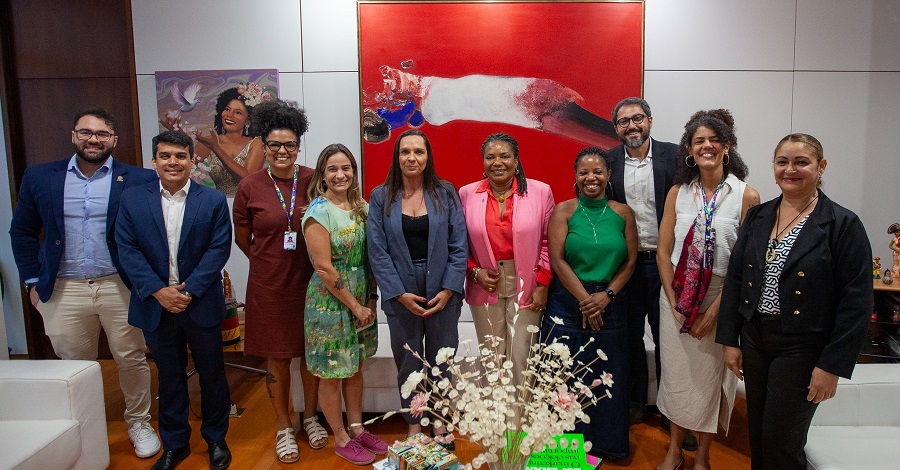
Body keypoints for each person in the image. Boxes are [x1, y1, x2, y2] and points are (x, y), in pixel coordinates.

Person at [8, 107, 161, 458]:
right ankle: (84, 427)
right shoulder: (41, 177)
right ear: (74, 135)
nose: (94, 139)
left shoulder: (138, 179)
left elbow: (150, 233)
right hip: (64, 287)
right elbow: (23, 232)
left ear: (114, 140)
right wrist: (33, 280)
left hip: (119, 285)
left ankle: (139, 422)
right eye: (86, 132)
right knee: (74, 364)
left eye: (102, 134)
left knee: (131, 357)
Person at [717, 133, 873, 470]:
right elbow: (736, 280)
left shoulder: (842, 224)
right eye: (782, 162)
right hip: (756, 339)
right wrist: (731, 340)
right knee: (757, 433)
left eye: (801, 162)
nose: (791, 169)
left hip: (804, 347)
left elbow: (857, 302)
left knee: (781, 440)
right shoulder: (759, 216)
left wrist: (832, 366)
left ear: (821, 167)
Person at [116, 130, 233, 470]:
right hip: (156, 303)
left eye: (181, 156)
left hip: (199, 303)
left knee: (212, 374)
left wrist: (188, 290)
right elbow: (127, 249)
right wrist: (158, 291)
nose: (173, 162)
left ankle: (215, 439)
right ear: (154, 161)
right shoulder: (133, 199)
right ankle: (175, 444)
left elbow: (219, 248)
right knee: (169, 377)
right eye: (165, 155)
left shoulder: (210, 200)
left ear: (191, 160)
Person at [655, 109, 759, 470]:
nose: (707, 146)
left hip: (721, 297)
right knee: (677, 377)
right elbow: (664, 252)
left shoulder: (746, 196)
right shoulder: (677, 193)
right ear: (689, 149)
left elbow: (745, 264)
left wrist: (716, 310)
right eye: (699, 141)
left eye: (714, 140)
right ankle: (673, 450)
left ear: (727, 146)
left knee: (712, 380)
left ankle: (702, 455)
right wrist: (673, 301)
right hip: (676, 297)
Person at [232, 99, 325, 463]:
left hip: (312, 281)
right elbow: (243, 237)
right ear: (264, 146)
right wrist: (266, 260)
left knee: (310, 354)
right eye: (274, 144)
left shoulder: (314, 179)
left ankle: (311, 416)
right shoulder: (250, 187)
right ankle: (285, 425)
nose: (282, 151)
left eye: (289, 144)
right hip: (269, 286)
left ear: (298, 146)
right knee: (277, 359)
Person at [367, 129, 468, 441]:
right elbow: (377, 250)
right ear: (397, 158)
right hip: (401, 291)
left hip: (442, 290)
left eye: (418, 152)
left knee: (443, 360)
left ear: (428, 158)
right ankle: (414, 424)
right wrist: (397, 294)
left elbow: (459, 245)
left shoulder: (446, 192)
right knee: (408, 363)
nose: (411, 158)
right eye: (405, 152)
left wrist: (449, 288)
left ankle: (439, 420)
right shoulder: (380, 196)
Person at [542, 147, 637, 459]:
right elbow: (557, 260)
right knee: (565, 377)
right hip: (568, 304)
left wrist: (605, 297)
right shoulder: (564, 211)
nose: (590, 177)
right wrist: (586, 301)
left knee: (608, 377)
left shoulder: (623, 213)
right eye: (584, 172)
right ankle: (565, 451)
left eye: (597, 171)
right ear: (576, 176)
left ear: (608, 175)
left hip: (612, 303)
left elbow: (630, 262)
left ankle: (608, 446)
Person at [606, 97, 691, 443]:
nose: (632, 126)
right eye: (624, 122)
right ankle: (636, 403)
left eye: (637, 118)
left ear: (650, 120)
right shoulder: (608, 162)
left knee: (669, 338)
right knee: (628, 337)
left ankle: (676, 417)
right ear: (616, 129)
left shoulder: (676, 157)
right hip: (626, 265)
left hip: (666, 264)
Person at [302, 144, 388, 466]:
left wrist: (370, 299)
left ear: (354, 171)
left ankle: (356, 427)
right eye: (333, 169)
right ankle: (339, 436)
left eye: (346, 168)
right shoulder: (318, 211)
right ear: (323, 174)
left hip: (362, 299)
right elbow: (323, 268)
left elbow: (373, 257)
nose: (341, 175)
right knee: (332, 372)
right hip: (330, 304)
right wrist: (354, 305)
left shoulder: (362, 206)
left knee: (355, 366)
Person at [459, 133, 556, 386]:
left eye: (504, 156)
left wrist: (543, 284)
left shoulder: (540, 191)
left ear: (516, 161)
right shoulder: (467, 194)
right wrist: (473, 271)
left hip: (527, 285)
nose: (497, 162)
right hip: (484, 285)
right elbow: (457, 243)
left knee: (523, 357)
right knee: (492, 359)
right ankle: (496, 424)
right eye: (490, 157)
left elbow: (549, 241)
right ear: (483, 162)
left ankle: (519, 425)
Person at [162, 85, 266, 196]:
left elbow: (247, 179)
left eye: (238, 112)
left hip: (248, 205)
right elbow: (185, 165)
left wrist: (216, 148)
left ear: (248, 121)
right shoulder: (210, 140)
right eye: (227, 109)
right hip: (218, 205)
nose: (229, 115)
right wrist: (178, 134)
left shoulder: (257, 143)